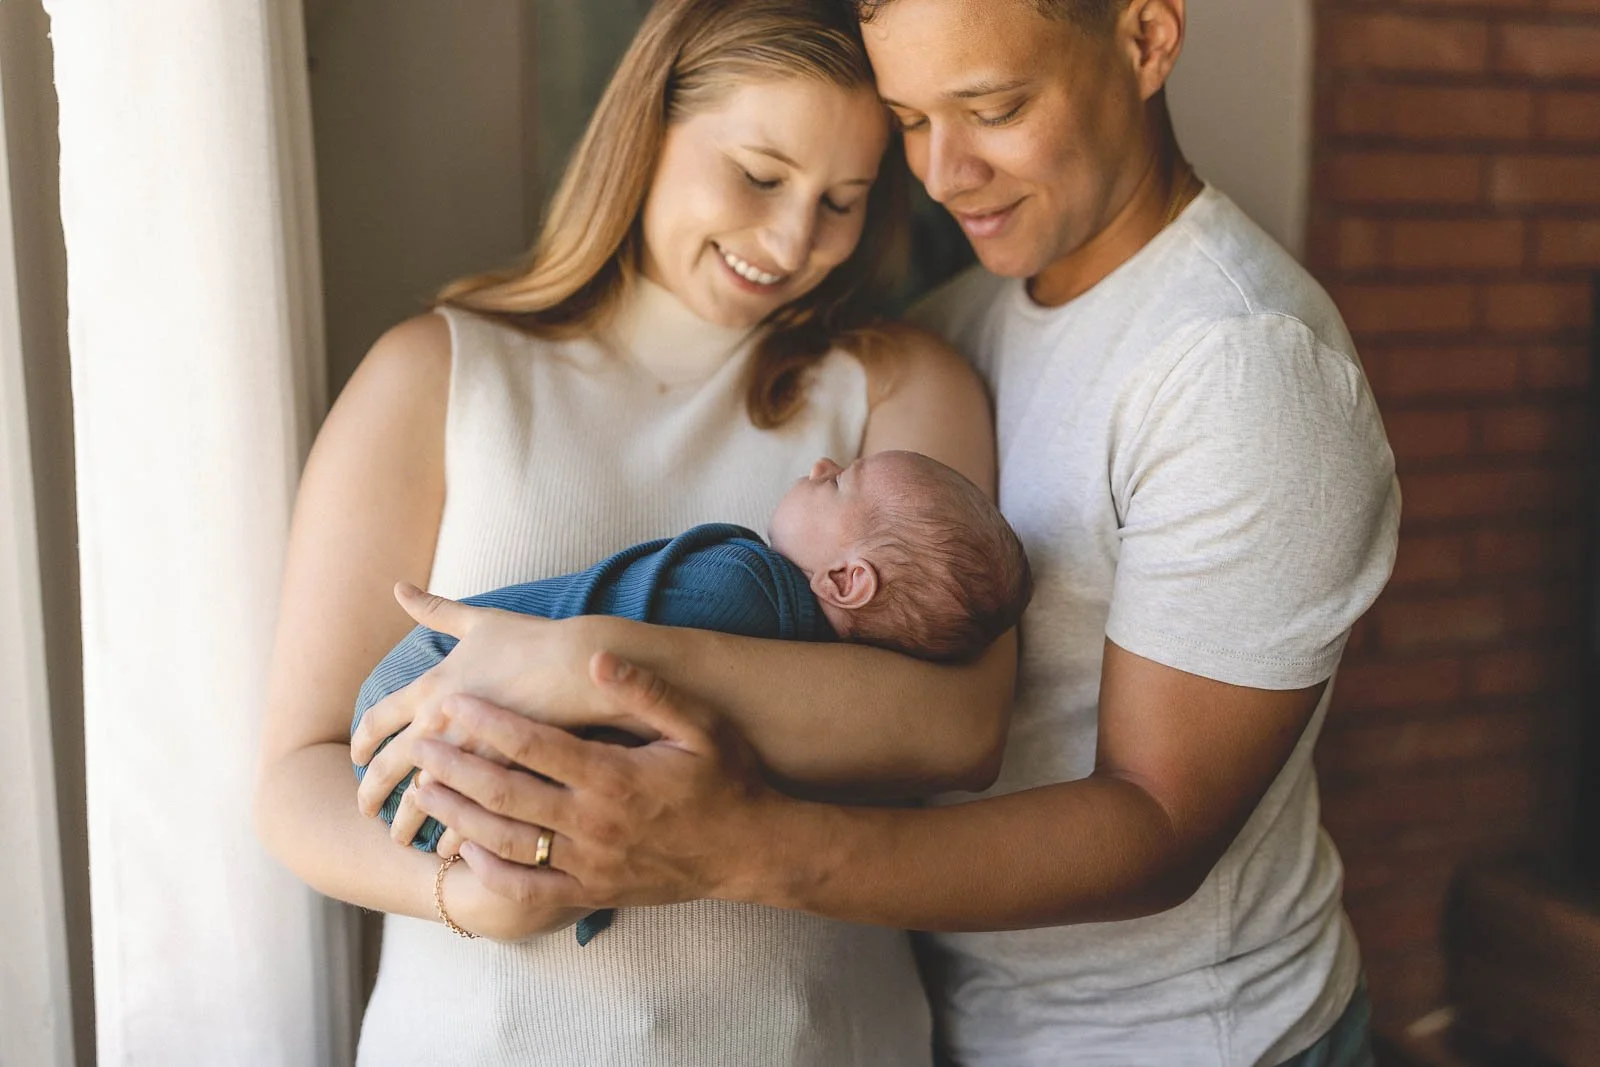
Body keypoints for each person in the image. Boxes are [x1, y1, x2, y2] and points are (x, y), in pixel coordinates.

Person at [363, 1, 1400, 1065]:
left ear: (1145, 36)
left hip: (1194, 1043)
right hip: (955, 1022)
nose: (945, 176)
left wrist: (728, 838)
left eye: (991, 107)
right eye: (909, 120)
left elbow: (1156, 827)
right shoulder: (959, 321)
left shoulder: (1242, 364)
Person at [253, 1, 1016, 1064]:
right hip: (487, 1034)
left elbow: (953, 727)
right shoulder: (436, 375)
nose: (795, 240)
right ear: (649, 128)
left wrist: (588, 664)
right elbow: (299, 769)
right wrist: (470, 894)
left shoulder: (895, 391)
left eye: (842, 201)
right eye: (759, 174)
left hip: (813, 1039)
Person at [353, 449, 1032, 857]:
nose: (823, 463)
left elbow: (605, 685)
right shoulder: (825, 713)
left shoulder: (746, 585)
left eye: (839, 483)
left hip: (422, 698)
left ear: (847, 581)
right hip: (432, 747)